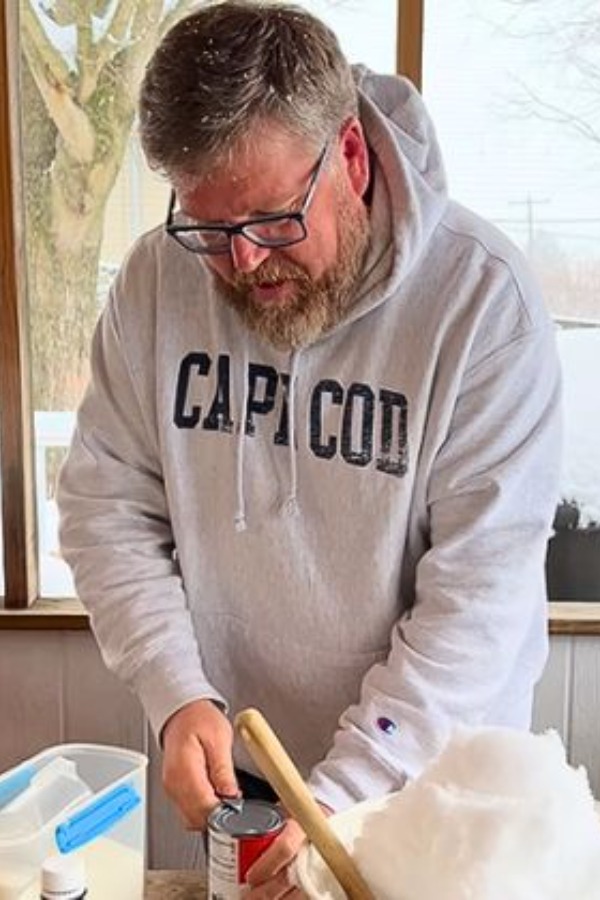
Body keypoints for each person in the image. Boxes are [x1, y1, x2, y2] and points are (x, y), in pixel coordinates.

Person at [57, 1, 562, 897]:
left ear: (352, 157)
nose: (243, 267)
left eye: (271, 223)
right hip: (242, 763)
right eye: (209, 232)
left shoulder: (486, 308)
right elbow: (107, 511)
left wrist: (339, 798)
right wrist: (176, 691)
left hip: (437, 794)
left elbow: (475, 604)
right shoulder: (152, 284)